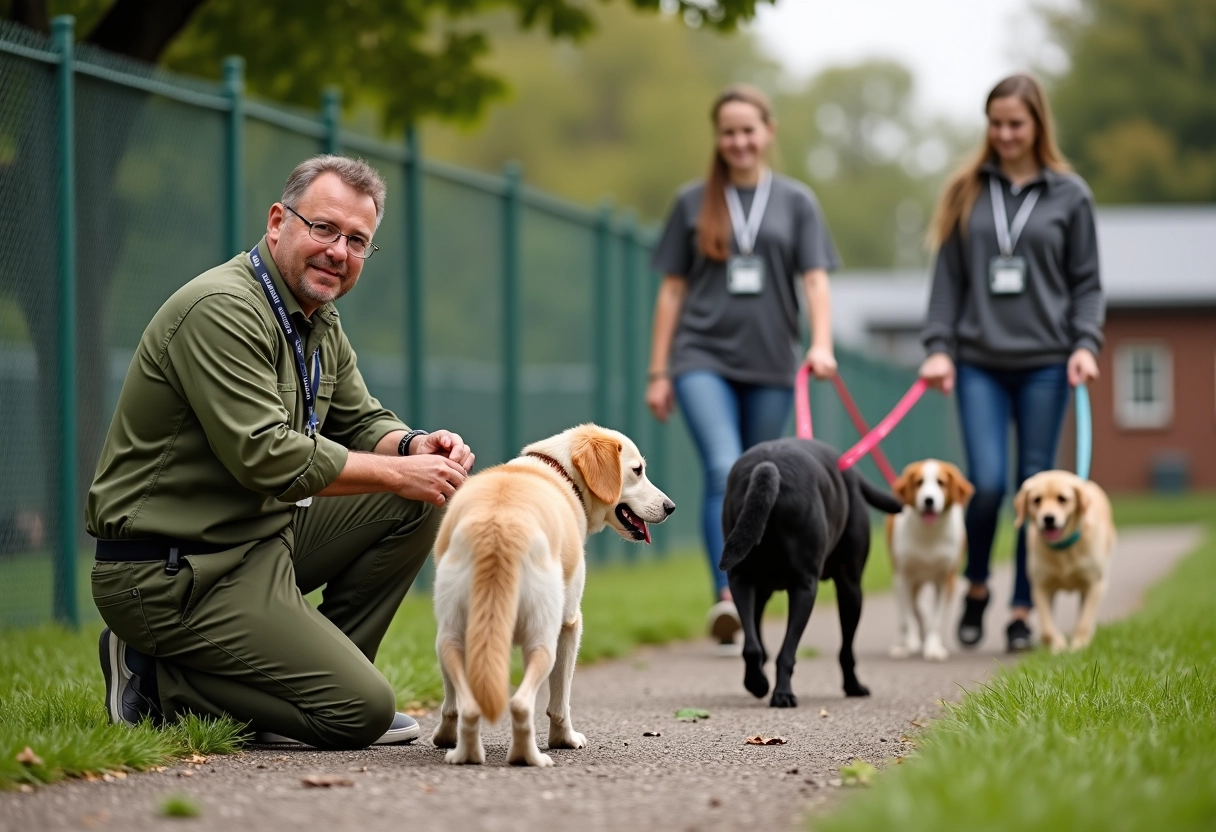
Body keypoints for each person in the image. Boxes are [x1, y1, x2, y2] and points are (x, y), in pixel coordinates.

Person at [86, 155, 475, 749]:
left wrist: (416, 446)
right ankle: (156, 676)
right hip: (172, 570)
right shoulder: (222, 308)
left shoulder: (317, 319)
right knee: (360, 715)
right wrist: (399, 472)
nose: (338, 252)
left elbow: (361, 418)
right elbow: (265, 456)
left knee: (423, 501)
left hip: (257, 540)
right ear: (277, 222)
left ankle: (302, 687)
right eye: (323, 228)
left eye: (357, 241)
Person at [647, 84, 841, 652]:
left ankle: (752, 589)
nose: (739, 141)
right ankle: (727, 595)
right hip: (701, 356)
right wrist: (659, 372)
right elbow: (671, 292)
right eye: (728, 132)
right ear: (718, 138)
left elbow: (815, 280)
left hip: (773, 363)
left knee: (761, 478)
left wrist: (822, 342)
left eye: (748, 130)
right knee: (721, 468)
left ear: (768, 131)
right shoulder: (692, 202)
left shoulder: (797, 202)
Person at [919, 74, 1104, 653]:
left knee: (1036, 491)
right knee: (991, 484)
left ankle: (1024, 608)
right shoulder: (966, 190)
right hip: (978, 362)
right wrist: (938, 347)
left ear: (1037, 125)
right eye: (995, 123)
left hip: (1049, 361)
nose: (1005, 134)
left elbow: (1087, 283)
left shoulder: (1070, 195)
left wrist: (1085, 344)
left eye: (1016, 124)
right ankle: (977, 586)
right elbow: (946, 280)